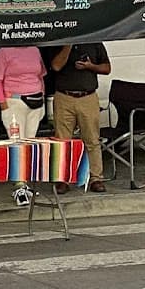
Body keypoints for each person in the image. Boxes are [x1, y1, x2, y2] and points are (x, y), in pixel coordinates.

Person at [49, 43, 110, 194]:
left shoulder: (94, 41)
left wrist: (90, 66)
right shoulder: (59, 41)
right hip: (64, 96)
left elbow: (107, 68)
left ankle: (96, 178)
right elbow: (56, 66)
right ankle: (62, 180)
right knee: (62, 141)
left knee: (92, 139)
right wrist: (68, 47)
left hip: (87, 97)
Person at [0, 45, 47, 139]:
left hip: (36, 100)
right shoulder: (3, 52)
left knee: (31, 140)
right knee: (17, 140)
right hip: (15, 101)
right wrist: (3, 104)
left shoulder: (35, 50)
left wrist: (43, 94)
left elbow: (41, 75)